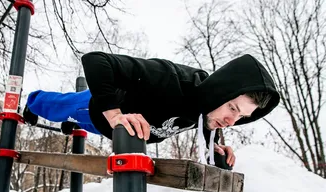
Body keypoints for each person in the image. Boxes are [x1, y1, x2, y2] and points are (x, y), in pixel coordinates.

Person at [23, 51, 280, 166]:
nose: (233, 120)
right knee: (55, 107)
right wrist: (114, 115)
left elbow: (206, 119)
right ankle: (32, 101)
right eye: (233, 108)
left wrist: (214, 144)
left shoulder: (209, 110)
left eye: (242, 116)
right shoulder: (169, 77)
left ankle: (72, 123)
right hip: (94, 111)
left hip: (121, 135)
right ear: (219, 92)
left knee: (73, 123)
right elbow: (96, 61)